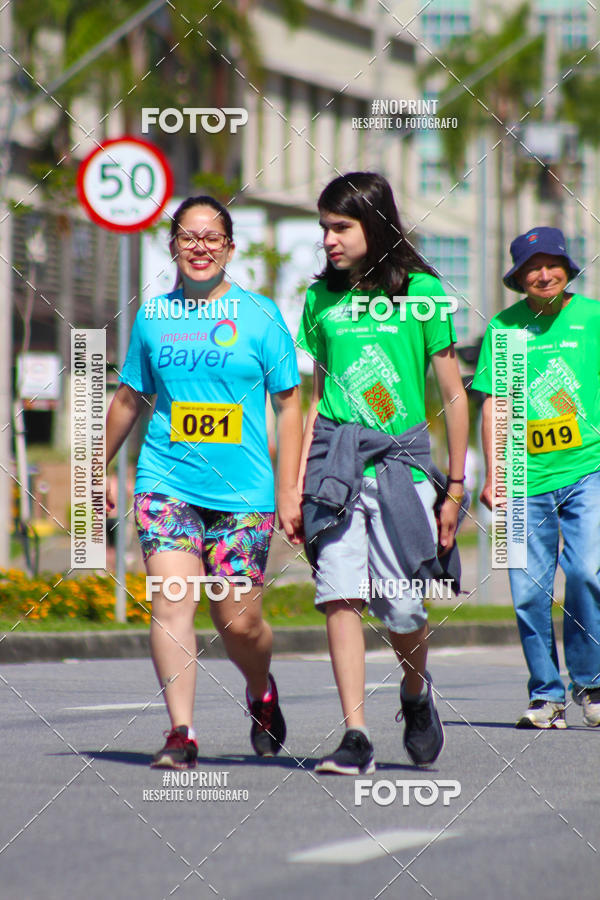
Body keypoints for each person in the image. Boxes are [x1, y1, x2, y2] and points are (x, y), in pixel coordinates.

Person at [106, 195, 303, 768]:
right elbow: (129, 397)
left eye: (212, 237)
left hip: (244, 492)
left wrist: (289, 488)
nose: (199, 247)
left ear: (230, 248)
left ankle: (261, 692)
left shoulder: (262, 316)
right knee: (171, 601)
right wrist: (96, 466)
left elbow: (289, 406)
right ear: (172, 246)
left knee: (239, 620)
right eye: (188, 237)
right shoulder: (153, 316)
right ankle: (181, 733)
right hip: (166, 478)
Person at [296, 172, 469, 774]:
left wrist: (455, 484)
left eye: (340, 226)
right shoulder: (320, 298)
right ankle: (356, 737)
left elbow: (452, 393)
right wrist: (296, 485)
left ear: (375, 224)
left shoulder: (422, 291)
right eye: (324, 228)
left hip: (403, 465)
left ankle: (416, 694)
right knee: (339, 596)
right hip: (335, 461)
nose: (328, 240)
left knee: (402, 610)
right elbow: (319, 395)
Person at [474, 226, 600, 729]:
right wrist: (492, 475)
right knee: (527, 590)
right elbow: (493, 406)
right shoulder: (504, 329)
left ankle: (591, 685)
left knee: (588, 576)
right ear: (519, 276)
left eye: (552, 264)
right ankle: (546, 695)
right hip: (519, 477)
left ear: (567, 268)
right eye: (532, 266)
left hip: (588, 469)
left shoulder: (592, 318)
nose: (543, 274)